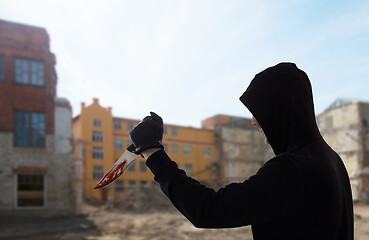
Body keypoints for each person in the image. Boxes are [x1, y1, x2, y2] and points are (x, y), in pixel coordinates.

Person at [129, 62, 354, 240]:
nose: (254, 121)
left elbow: (208, 209)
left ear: (281, 109)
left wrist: (152, 151)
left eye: (259, 110)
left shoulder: (293, 170)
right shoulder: (331, 160)